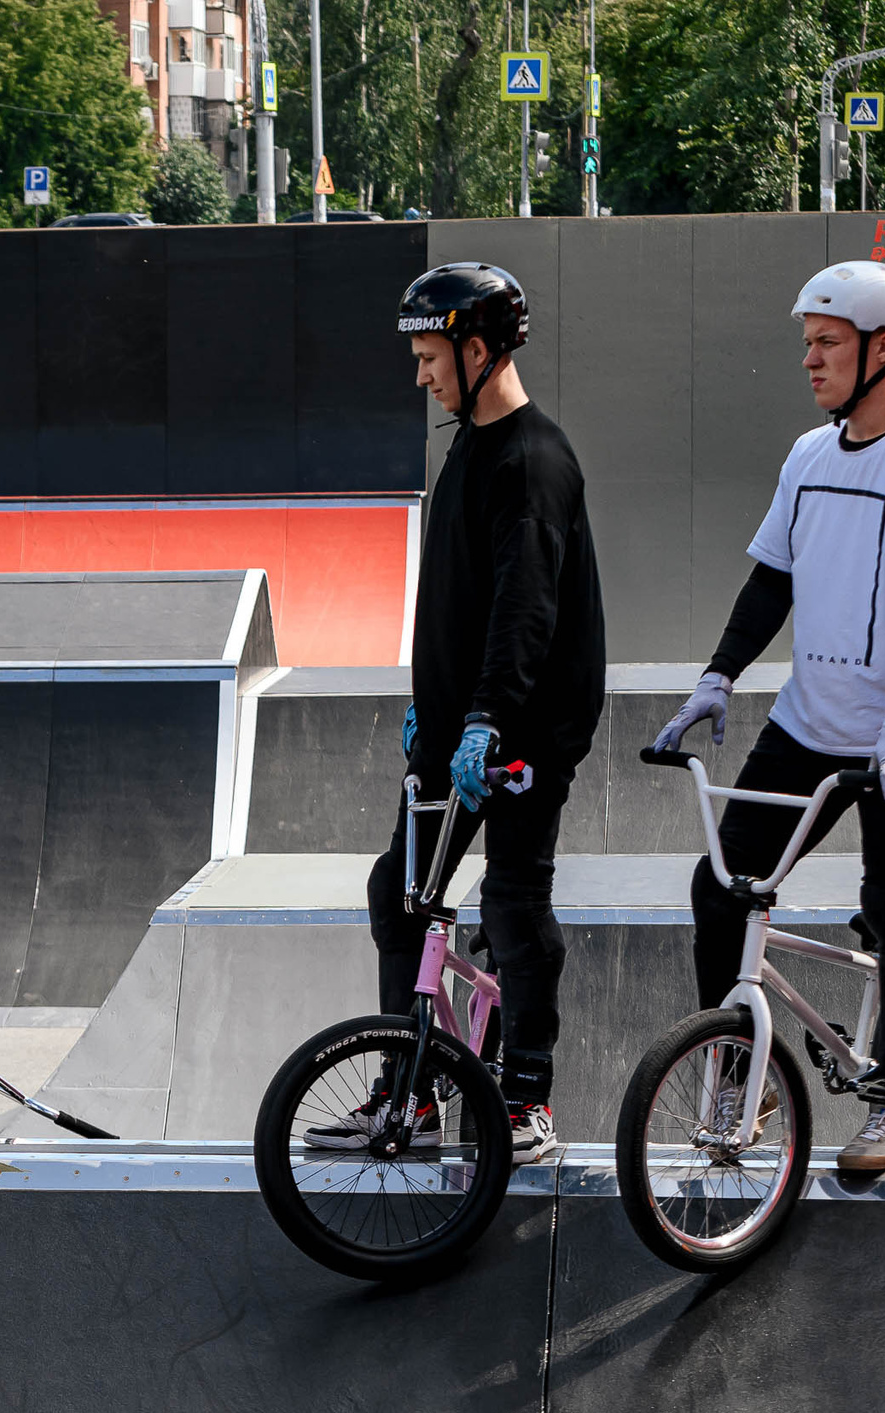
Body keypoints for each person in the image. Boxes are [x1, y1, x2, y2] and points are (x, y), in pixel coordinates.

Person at [655, 261, 885, 1173]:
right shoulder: (808, 454)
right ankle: (742, 1072)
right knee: (722, 888)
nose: (810, 358)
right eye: (807, 342)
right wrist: (717, 677)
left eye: (828, 342)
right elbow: (774, 578)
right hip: (811, 724)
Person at [317, 265, 608, 1164]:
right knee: (397, 893)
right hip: (456, 727)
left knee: (513, 902)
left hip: (520, 733)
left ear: (478, 350)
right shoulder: (469, 445)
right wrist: (429, 713)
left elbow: (526, 612)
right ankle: (416, 1086)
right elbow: (456, 600)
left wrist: (482, 719)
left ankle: (526, 1097)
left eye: (430, 356)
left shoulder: (534, 462)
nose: (420, 375)